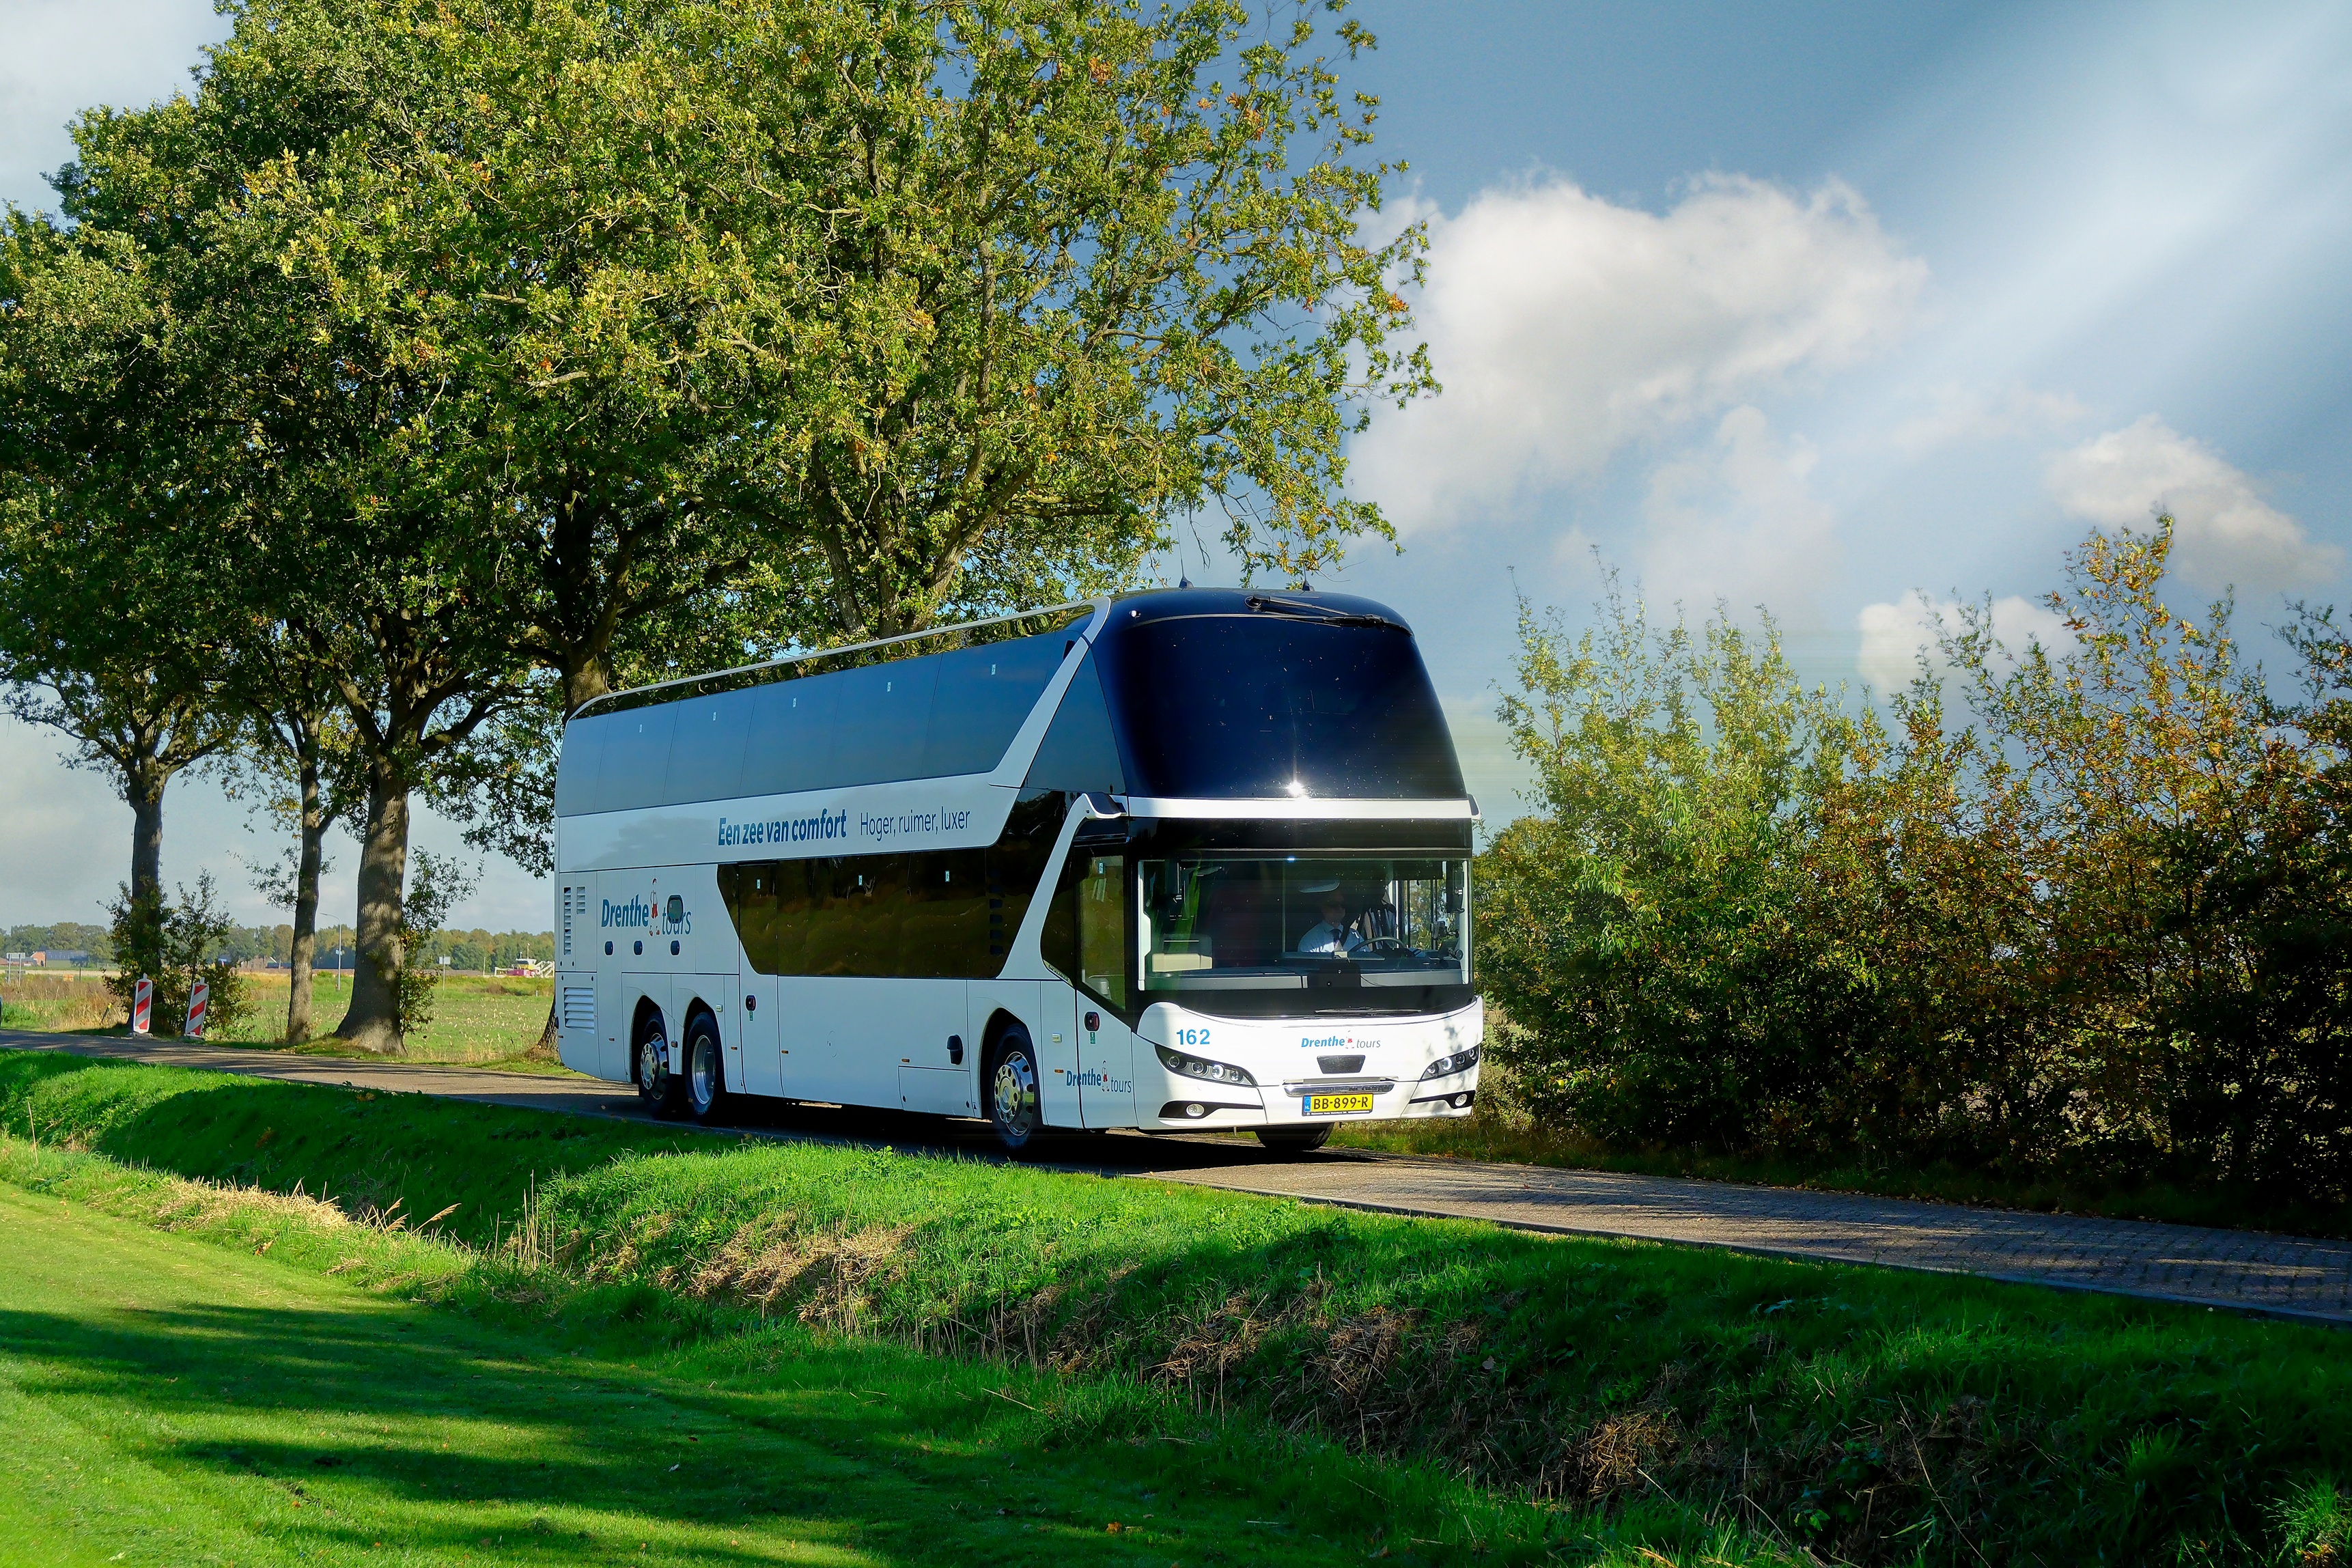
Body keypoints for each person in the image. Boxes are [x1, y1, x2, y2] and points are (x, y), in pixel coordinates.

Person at [1297, 894, 1364, 955]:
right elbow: (1307, 967)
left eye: (1343, 905)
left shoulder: (1355, 936)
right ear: (1322, 908)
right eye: (1334, 905)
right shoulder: (1310, 940)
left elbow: (1368, 960)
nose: (1340, 908)